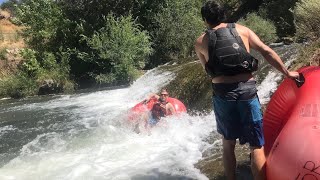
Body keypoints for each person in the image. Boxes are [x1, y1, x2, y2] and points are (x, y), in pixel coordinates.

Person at [194, 1, 300, 180]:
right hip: (247, 92)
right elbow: (266, 51)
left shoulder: (199, 42)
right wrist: (287, 73)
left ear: (205, 20)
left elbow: (209, 71)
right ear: (224, 15)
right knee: (256, 145)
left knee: (228, 144)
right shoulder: (243, 30)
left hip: (222, 94)